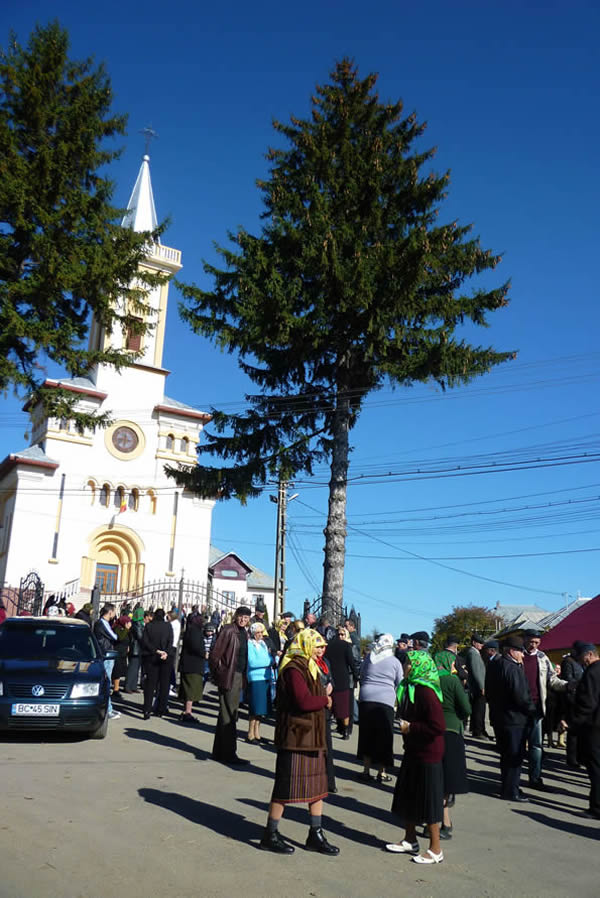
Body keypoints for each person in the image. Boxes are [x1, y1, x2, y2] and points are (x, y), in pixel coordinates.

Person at [259, 629, 339, 856]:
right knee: (285, 786)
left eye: (323, 646)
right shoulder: (294, 668)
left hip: (313, 737)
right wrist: (325, 699)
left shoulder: (312, 666)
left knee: (318, 788)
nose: (321, 650)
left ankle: (316, 833)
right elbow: (303, 701)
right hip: (296, 736)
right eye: (318, 646)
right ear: (305, 645)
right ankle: (270, 833)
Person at [385, 650, 446, 865]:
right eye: (405, 662)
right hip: (413, 749)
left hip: (428, 752)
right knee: (408, 795)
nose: (405, 666)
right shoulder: (409, 687)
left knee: (429, 800)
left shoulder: (426, 692)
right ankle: (410, 839)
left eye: (409, 663)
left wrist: (412, 727)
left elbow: (438, 726)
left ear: (419, 666)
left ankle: (436, 849)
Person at [485, 635, 536, 801]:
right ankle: (512, 790)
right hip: (514, 719)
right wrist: (532, 710)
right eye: (520, 651)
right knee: (514, 757)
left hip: (500, 718)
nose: (522, 655)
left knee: (505, 755)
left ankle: (507, 787)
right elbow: (520, 696)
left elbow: (489, 692)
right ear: (512, 651)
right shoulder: (512, 668)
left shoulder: (494, 665)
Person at [522, 629, 567, 790]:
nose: (533, 645)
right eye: (531, 642)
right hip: (518, 709)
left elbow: (552, 679)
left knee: (536, 746)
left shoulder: (542, 658)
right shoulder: (516, 655)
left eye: (536, 642)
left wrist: (568, 685)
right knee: (517, 746)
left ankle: (535, 778)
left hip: (536, 707)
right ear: (524, 640)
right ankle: (511, 781)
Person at [434, 649, 472, 839]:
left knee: (433, 777)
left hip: (431, 732)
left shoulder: (429, 680)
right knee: (447, 780)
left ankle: (429, 821)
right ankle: (444, 822)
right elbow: (466, 709)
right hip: (451, 731)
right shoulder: (452, 681)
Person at [357, 633, 403, 783]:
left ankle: (365, 770)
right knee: (384, 736)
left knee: (366, 735)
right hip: (385, 700)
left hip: (366, 698)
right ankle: (381, 772)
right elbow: (399, 682)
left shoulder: (369, 658)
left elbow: (362, 675)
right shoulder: (395, 661)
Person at [209, 605, 251, 765]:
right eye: (241, 616)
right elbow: (215, 655)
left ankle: (219, 752)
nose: (243, 620)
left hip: (239, 675)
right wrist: (220, 673)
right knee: (230, 714)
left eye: (246, 618)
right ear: (236, 616)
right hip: (230, 675)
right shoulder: (228, 630)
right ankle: (229, 754)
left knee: (225, 713)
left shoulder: (244, 633)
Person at [569, 643, 600, 819]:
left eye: (580, 656)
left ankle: (597, 808)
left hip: (593, 727)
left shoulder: (592, 672)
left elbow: (587, 703)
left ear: (588, 655)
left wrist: (571, 722)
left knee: (595, 768)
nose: (579, 660)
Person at [325, 625, 359, 739]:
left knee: (330, 705)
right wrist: (356, 675)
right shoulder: (346, 646)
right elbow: (351, 662)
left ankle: (328, 726)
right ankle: (345, 731)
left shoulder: (328, 646)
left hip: (331, 678)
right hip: (343, 679)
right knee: (344, 708)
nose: (341, 636)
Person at [141, 608, 173, 719]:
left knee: (150, 685)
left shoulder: (149, 626)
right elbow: (171, 641)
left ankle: (147, 710)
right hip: (165, 659)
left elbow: (145, 641)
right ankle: (160, 709)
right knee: (164, 685)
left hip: (151, 657)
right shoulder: (168, 626)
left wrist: (155, 650)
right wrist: (166, 653)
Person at [246, 622, 274, 743]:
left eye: (261, 632)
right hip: (256, 678)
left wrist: (268, 660)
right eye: (257, 633)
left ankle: (257, 732)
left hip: (266, 677)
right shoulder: (250, 645)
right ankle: (250, 733)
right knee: (255, 707)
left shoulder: (263, 644)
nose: (260, 635)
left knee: (261, 709)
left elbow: (271, 659)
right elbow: (253, 662)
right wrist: (267, 661)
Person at [560, 641, 585, 767]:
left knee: (580, 730)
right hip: (571, 699)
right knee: (573, 731)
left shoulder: (580, 662)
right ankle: (572, 758)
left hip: (581, 698)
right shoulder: (568, 662)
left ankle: (579, 755)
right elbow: (568, 680)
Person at [94, 603, 120, 720]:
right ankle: (107, 709)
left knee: (107, 682)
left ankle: (108, 707)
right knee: (106, 682)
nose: (115, 614)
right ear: (110, 612)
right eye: (114, 612)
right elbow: (114, 637)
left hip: (106, 653)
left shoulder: (104, 623)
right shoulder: (102, 624)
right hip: (106, 655)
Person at [179, 612, 207, 723]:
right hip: (193, 665)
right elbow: (196, 647)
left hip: (188, 664)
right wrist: (204, 654)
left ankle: (186, 711)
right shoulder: (195, 631)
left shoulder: (189, 630)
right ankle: (188, 712)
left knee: (188, 689)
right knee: (191, 690)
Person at [464, 634, 489, 739]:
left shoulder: (474, 653)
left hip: (477, 686)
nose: (482, 645)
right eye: (480, 643)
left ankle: (479, 730)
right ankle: (478, 731)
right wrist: (481, 686)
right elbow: (476, 671)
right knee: (479, 710)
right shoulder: (473, 653)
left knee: (478, 709)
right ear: (474, 643)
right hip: (477, 687)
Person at [111, 615, 131, 699]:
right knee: (116, 672)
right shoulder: (117, 629)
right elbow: (120, 638)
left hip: (123, 653)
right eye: (128, 622)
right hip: (117, 652)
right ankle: (116, 689)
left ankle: (116, 688)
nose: (130, 624)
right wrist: (126, 629)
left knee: (119, 671)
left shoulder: (126, 630)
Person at [124, 607, 144, 693]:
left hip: (138, 648)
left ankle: (133, 686)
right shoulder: (137, 623)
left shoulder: (137, 623)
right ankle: (128, 686)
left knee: (136, 668)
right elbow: (140, 636)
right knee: (132, 668)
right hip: (136, 648)